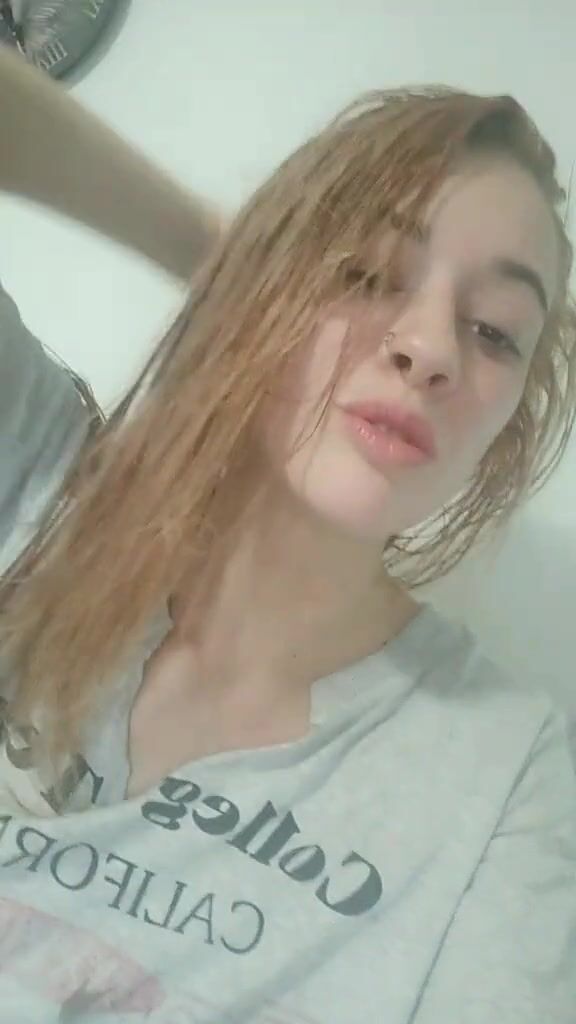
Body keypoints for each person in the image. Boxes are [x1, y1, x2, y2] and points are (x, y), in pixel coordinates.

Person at [0, 49, 575, 1024]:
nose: (430, 348)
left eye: (494, 331)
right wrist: (215, 251)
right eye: (365, 271)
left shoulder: (504, 782)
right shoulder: (36, 473)